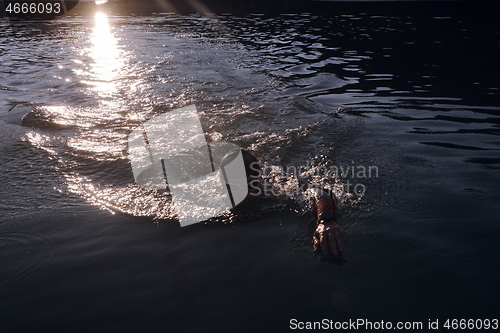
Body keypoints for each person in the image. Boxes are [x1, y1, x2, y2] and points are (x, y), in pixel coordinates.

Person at [239, 149, 349, 262]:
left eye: (251, 184)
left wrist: (326, 220)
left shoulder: (278, 186)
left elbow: (318, 192)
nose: (244, 193)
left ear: (260, 179)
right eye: (235, 186)